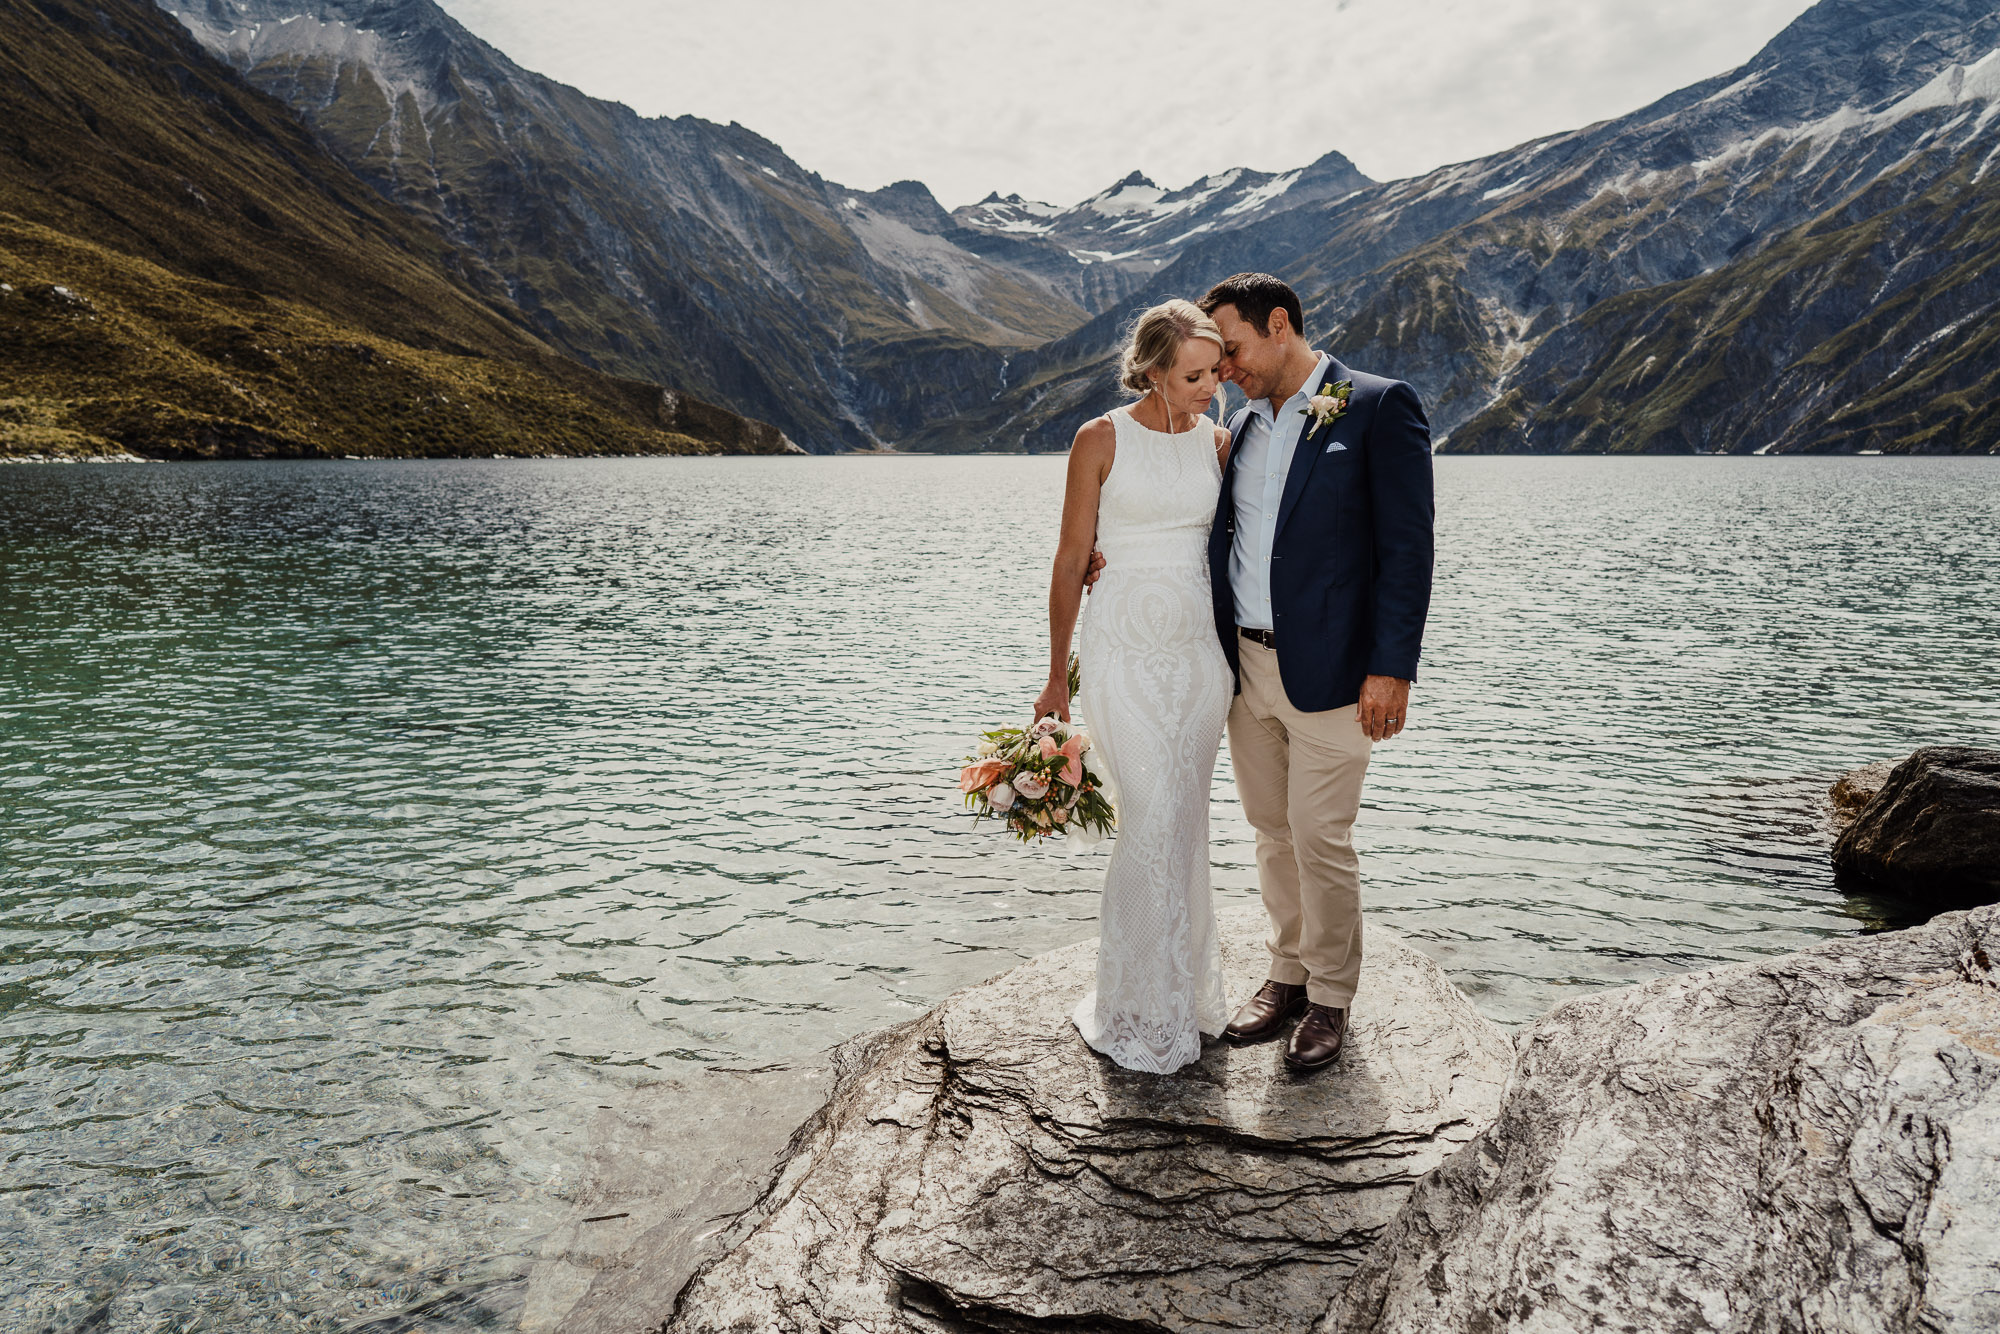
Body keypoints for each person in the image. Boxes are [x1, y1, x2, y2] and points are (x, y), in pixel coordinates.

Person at [1085, 272, 1435, 1074]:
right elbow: (1193, 526)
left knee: (1321, 837)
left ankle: (1332, 997)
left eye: (1233, 349)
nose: (1225, 369)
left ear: (1280, 325)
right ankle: (1286, 975)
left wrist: (1392, 668)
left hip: (1336, 672)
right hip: (1240, 667)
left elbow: (1408, 549)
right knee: (1271, 833)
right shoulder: (1236, 428)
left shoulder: (1377, 405)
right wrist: (1111, 559)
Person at [1035, 299, 1234, 1075]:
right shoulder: (1100, 439)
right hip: (1121, 648)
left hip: (1199, 658)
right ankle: (1132, 1008)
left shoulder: (1219, 443)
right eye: (1193, 376)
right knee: (1148, 815)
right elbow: (1069, 556)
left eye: (1216, 372)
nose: (1210, 388)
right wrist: (1056, 676)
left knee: (1184, 822)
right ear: (1152, 372)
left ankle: (1181, 1000)